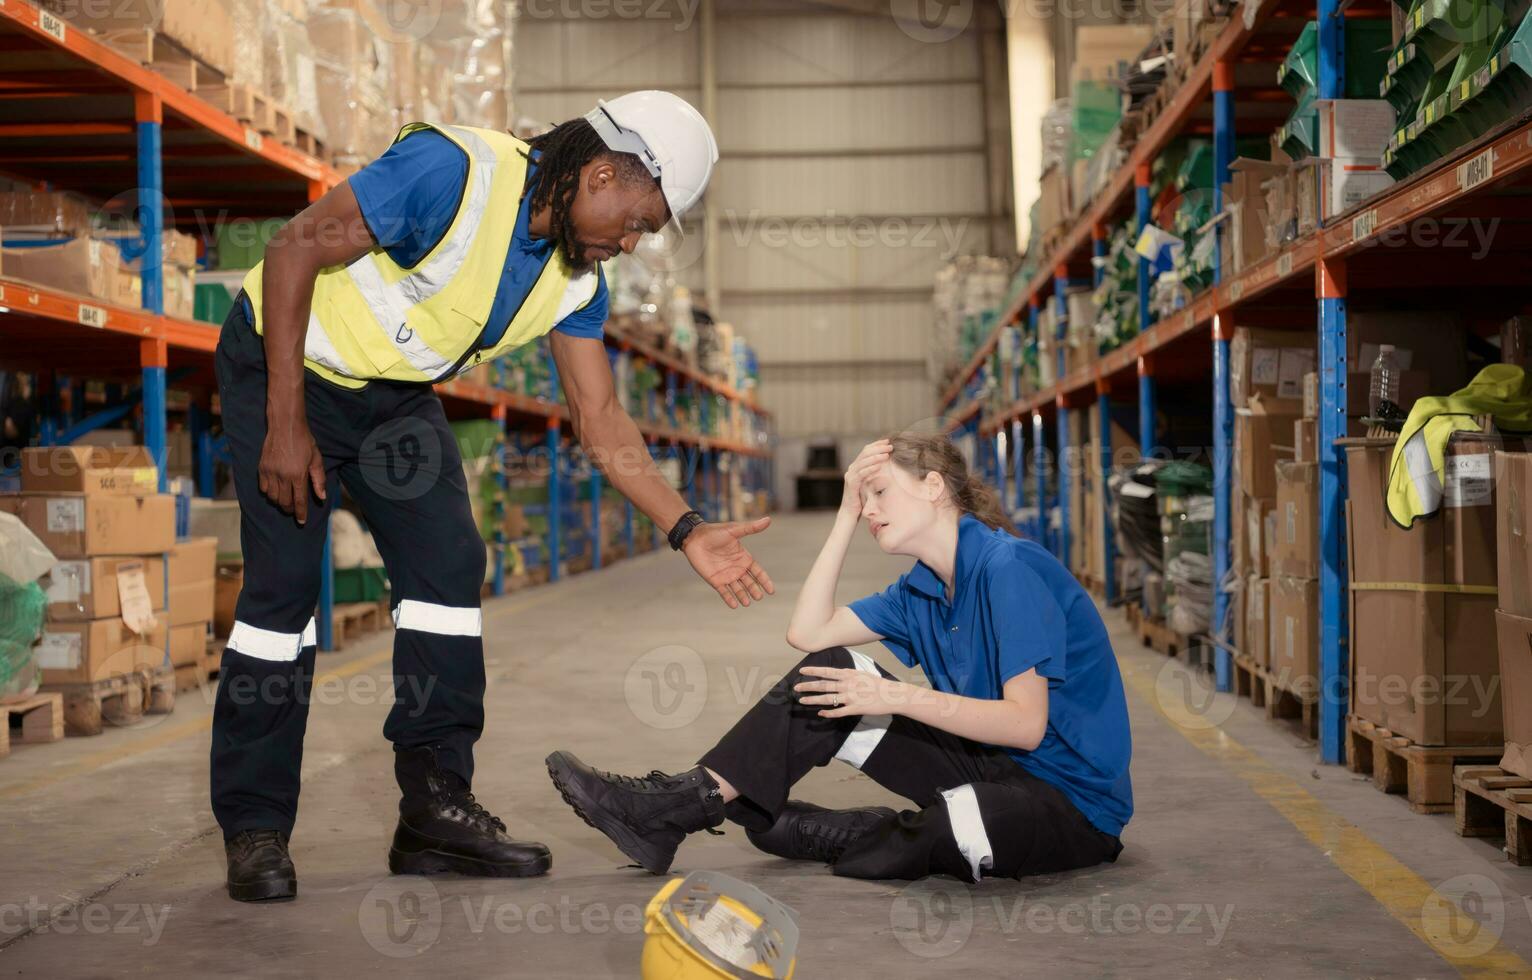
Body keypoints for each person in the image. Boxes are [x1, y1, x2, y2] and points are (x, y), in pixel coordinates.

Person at [213, 91, 776, 904]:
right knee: (283, 594)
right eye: (637, 222)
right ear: (603, 171)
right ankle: (254, 825)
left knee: (448, 568)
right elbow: (294, 249)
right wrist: (285, 420)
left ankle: (434, 808)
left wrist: (686, 528)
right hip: (286, 366)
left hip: (393, 399)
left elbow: (601, 417)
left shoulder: (576, 284)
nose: (630, 242)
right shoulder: (453, 172)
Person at [546, 433, 1132, 882]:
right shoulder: (920, 589)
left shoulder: (1009, 569)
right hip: (988, 762)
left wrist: (895, 695)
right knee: (831, 673)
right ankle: (676, 807)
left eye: (880, 493)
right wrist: (846, 514)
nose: (872, 508)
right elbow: (809, 634)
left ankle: (848, 831)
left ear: (934, 486)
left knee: (967, 821)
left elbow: (1026, 726)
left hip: (1070, 805)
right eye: (865, 498)